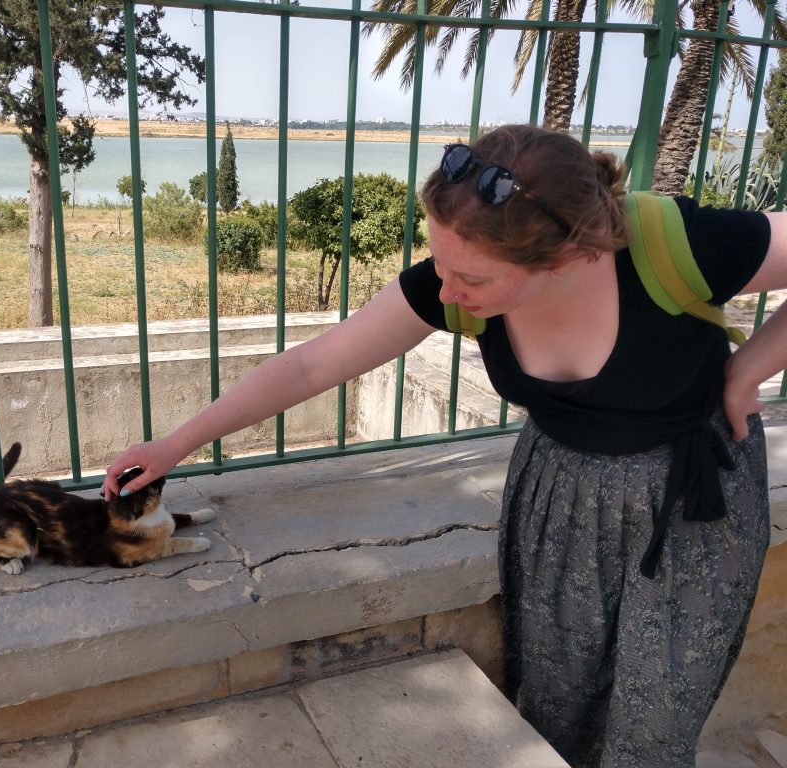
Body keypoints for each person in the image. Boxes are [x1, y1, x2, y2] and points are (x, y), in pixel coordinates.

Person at [103, 124, 787, 767]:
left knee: (655, 720)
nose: (447, 290)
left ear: (568, 255)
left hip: (693, 505)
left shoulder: (675, 244)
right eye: (442, 263)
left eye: (474, 279)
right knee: (556, 701)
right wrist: (174, 445)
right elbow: (312, 366)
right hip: (561, 502)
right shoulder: (455, 280)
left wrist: (747, 370)